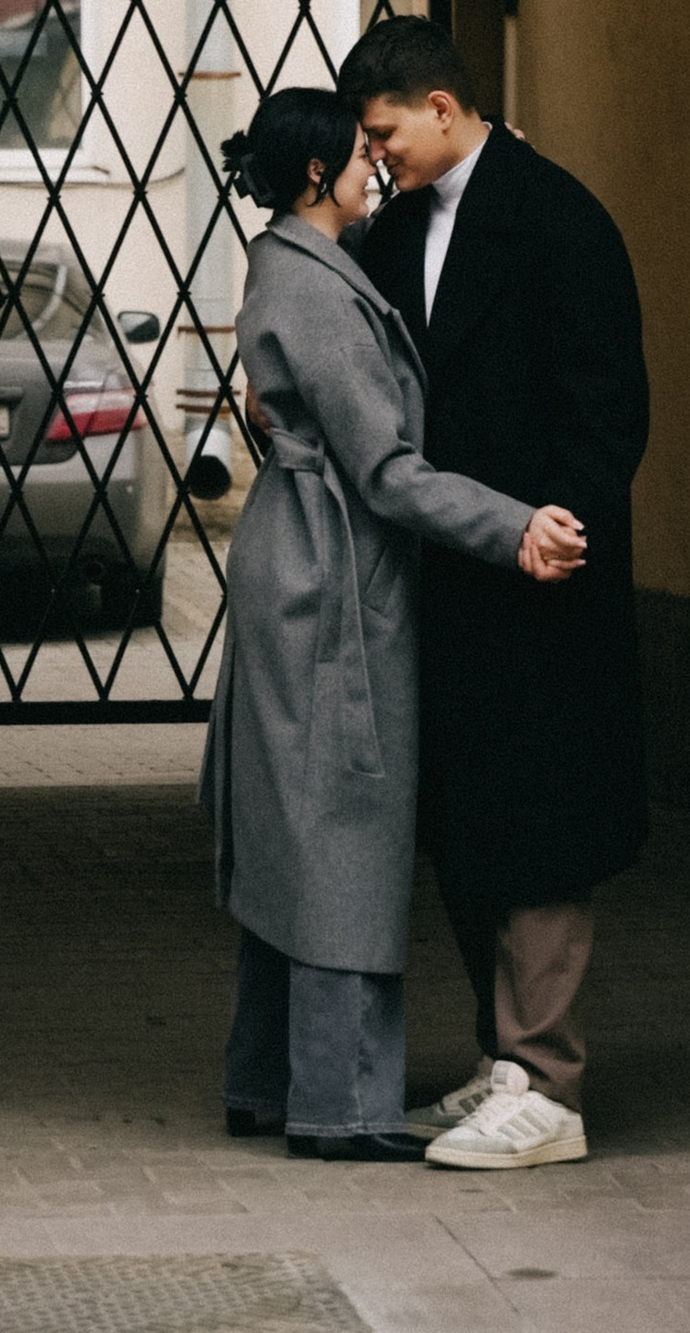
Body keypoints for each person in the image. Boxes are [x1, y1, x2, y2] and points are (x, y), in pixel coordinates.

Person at [201, 84, 588, 1163]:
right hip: (329, 576)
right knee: (340, 832)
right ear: (317, 173)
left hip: (303, 562)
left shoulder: (299, 260)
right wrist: (514, 526)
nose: (378, 163)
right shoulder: (316, 285)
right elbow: (382, 469)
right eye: (359, 151)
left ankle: (271, 1082)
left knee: (299, 823)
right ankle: (340, 1101)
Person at [337, 18, 650, 1172]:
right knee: (467, 820)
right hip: (447, 570)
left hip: (540, 569)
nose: (377, 157)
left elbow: (607, 396)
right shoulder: (398, 229)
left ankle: (550, 1086)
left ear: (440, 105)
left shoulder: (559, 217)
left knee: (540, 821)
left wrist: (564, 522)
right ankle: (504, 1063)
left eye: (385, 134)